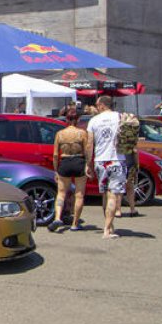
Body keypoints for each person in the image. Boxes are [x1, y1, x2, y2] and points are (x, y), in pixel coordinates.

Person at [86, 95, 125, 240]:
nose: (96, 107)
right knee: (113, 195)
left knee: (105, 194)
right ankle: (107, 229)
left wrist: (88, 163)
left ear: (102, 105)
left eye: (97, 105)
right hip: (117, 159)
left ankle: (108, 225)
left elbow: (90, 144)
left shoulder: (93, 121)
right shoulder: (120, 117)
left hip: (101, 161)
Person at [49, 107, 88, 232]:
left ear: (66, 119)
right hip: (78, 161)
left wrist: (56, 170)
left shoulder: (60, 134)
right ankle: (75, 223)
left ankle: (57, 217)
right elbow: (87, 151)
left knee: (61, 193)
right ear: (78, 120)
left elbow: (55, 154)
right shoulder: (81, 133)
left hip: (65, 162)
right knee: (79, 194)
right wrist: (88, 165)